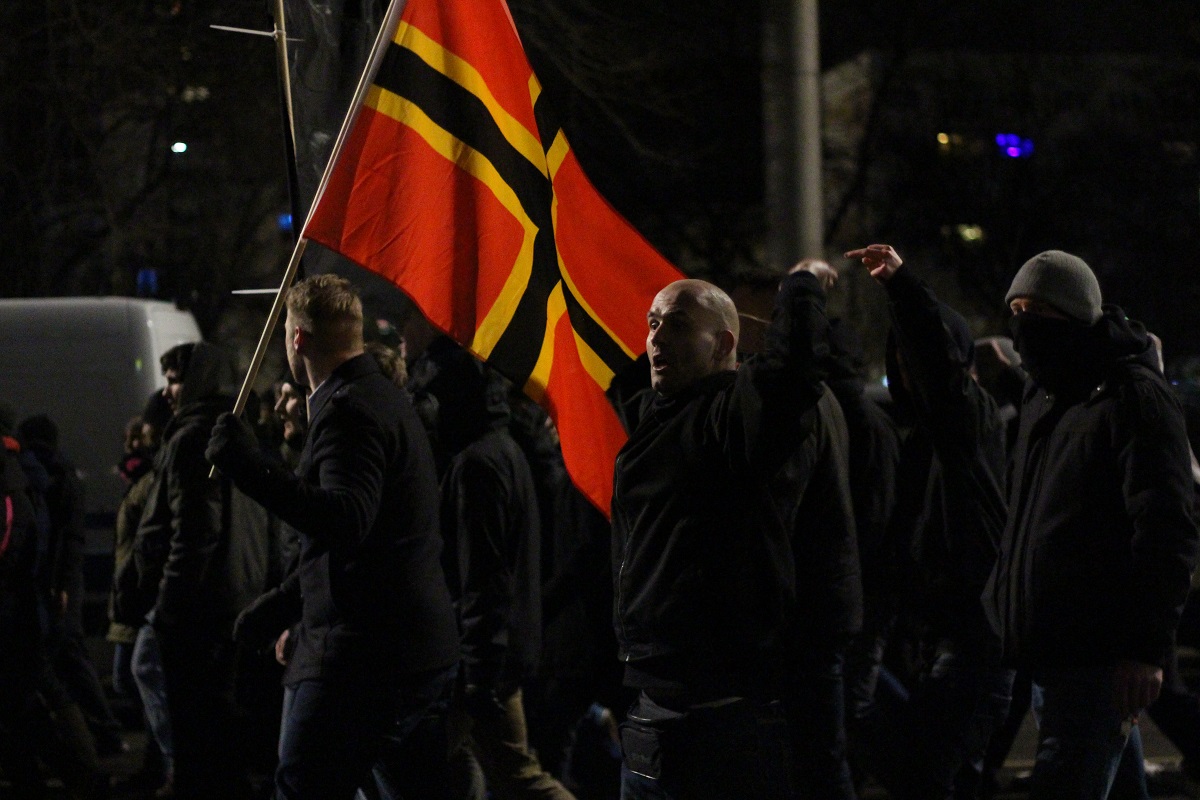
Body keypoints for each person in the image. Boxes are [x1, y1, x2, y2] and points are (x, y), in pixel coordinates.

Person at [206, 274, 461, 800]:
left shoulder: (349, 411)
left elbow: (346, 519)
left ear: (297, 338)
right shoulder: (381, 398)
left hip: (365, 659)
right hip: (407, 650)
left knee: (303, 785)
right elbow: (362, 541)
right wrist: (282, 606)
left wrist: (248, 467)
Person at [983, 250, 1200, 799]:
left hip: (1096, 654)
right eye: (1016, 309)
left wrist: (1145, 650)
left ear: (1074, 315)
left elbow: (1166, 530)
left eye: (1036, 310)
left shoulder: (1132, 397)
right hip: (1053, 650)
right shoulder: (1049, 395)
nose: (1022, 323)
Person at [611, 265, 833, 800]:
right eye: (652, 323)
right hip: (649, 711)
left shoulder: (733, 420)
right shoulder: (655, 419)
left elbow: (792, 375)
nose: (657, 338)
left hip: (721, 721)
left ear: (725, 344)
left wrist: (800, 290)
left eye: (678, 324)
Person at [843, 244, 1014, 799]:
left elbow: (940, 373)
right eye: (900, 358)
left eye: (916, 357)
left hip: (977, 647)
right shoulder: (918, 442)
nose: (907, 369)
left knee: (924, 771)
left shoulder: (969, 420)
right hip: (939, 640)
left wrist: (902, 288)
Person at [409, 337, 575, 800]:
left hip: (484, 659)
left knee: (515, 777)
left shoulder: (476, 465)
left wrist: (480, 675)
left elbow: (484, 576)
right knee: (483, 770)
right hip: (498, 652)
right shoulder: (502, 450)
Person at [131, 341, 272, 799]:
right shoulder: (234, 433)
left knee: (198, 734)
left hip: (199, 610)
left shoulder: (193, 439)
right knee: (219, 730)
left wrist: (170, 606)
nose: (167, 391)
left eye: (175, 380)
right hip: (232, 598)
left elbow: (194, 533)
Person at [0, 404, 108, 800]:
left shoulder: (10, 472)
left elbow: (16, 534)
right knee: (24, 698)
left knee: (27, 699)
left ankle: (78, 772)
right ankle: (68, 774)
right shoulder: (26, 470)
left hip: (14, 606)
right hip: (27, 603)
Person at [18, 413, 128, 757]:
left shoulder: (45, 476)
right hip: (63, 580)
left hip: (53, 581)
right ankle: (98, 734)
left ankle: (94, 736)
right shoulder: (64, 474)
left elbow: (61, 538)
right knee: (68, 657)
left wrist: (59, 583)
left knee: (64, 657)